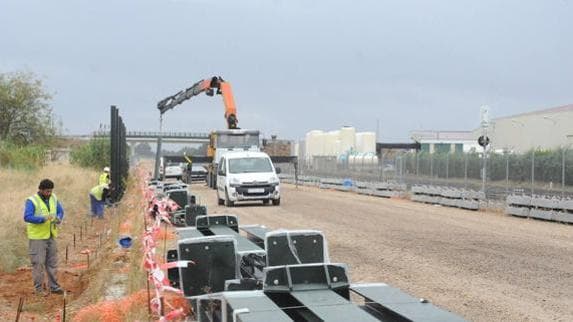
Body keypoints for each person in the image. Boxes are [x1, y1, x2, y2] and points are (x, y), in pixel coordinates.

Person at [23, 179, 65, 295]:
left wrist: (59, 218)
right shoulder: (32, 201)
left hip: (51, 235)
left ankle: (54, 287)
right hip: (37, 238)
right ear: (40, 190)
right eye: (47, 191)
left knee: (52, 263)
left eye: (50, 191)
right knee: (38, 263)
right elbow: (27, 217)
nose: (49, 193)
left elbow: (60, 211)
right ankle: (39, 289)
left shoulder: (53, 197)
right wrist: (42, 219)